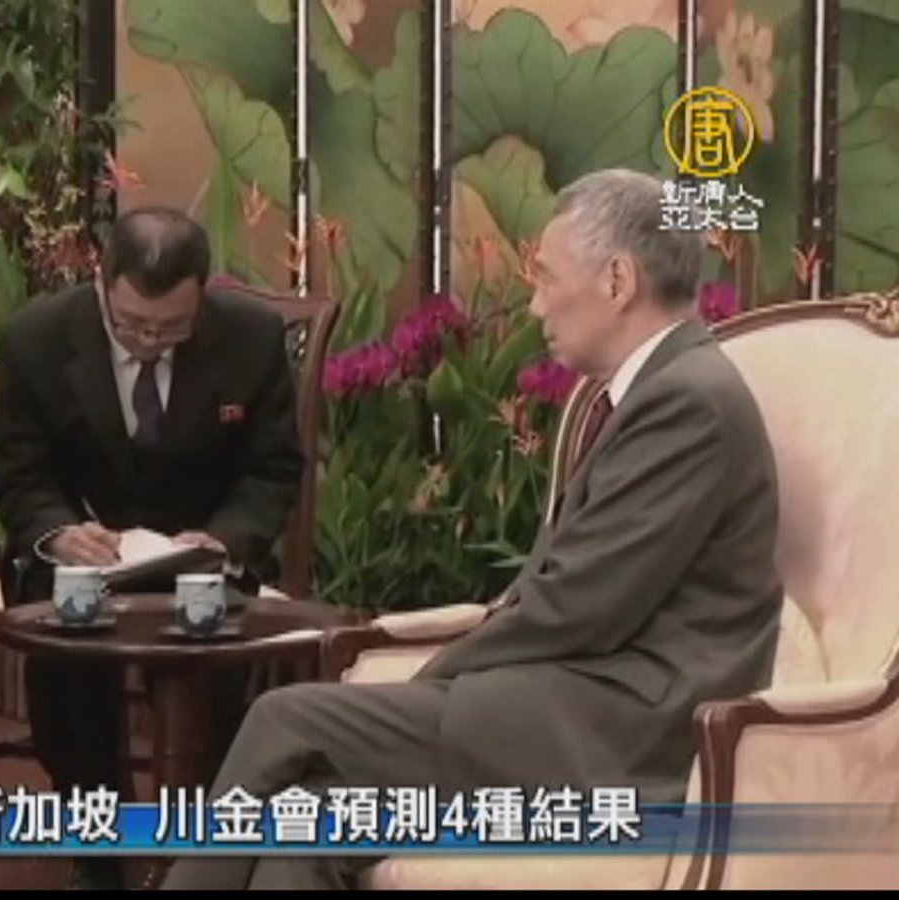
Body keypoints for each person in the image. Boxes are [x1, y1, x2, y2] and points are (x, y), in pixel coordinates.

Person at [160, 168, 784, 889]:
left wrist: (435, 679)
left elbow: (577, 605)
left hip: (629, 732)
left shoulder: (689, 402)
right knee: (312, 822)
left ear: (617, 281)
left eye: (546, 279)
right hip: (579, 697)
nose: (535, 304)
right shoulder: (655, 389)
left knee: (284, 719)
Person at [0, 206, 304, 888]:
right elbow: (18, 474)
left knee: (214, 648)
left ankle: (208, 853)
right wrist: (58, 532)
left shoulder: (250, 338)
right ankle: (100, 853)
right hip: (83, 555)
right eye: (132, 324)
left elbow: (274, 468)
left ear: (202, 295)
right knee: (69, 657)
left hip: (201, 557)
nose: (152, 341)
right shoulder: (36, 339)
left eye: (171, 327)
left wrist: (225, 539)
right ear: (102, 283)